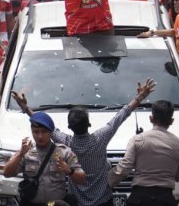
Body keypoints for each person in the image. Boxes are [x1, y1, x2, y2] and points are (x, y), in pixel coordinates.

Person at [13, 78, 156, 206]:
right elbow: (121, 115)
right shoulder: (100, 138)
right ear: (89, 124)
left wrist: (25, 108)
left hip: (77, 201)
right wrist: (140, 96)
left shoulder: (65, 143)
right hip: (103, 200)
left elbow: (45, 125)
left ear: (69, 127)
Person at [107, 100, 179, 206]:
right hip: (166, 199)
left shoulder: (137, 140)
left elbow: (124, 168)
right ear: (171, 121)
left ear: (151, 118)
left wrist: (106, 183)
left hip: (139, 198)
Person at [2, 112, 86, 205]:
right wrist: (20, 154)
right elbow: (6, 173)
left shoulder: (64, 152)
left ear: (51, 132)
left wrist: (70, 171)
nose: (40, 136)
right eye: (36, 132)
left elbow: (82, 180)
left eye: (44, 131)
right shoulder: (25, 152)